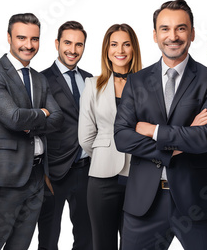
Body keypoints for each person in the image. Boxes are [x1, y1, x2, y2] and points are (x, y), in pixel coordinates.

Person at [114, 0, 207, 250]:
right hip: (144, 203)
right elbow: (122, 137)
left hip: (196, 203)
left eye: (181, 28)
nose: (172, 36)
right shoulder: (137, 81)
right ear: (155, 35)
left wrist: (153, 131)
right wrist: (177, 144)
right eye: (165, 29)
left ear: (192, 33)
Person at [0, 13, 64, 250]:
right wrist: (42, 112)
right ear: (9, 38)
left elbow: (58, 120)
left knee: (21, 244)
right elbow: (13, 118)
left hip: (36, 174)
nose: (28, 45)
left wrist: (34, 117)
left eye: (34, 39)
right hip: (7, 174)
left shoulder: (38, 78)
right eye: (21, 38)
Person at [78, 23, 142, 250]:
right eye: (114, 44)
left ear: (134, 49)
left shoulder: (147, 84)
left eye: (126, 44)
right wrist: (104, 152)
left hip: (139, 177)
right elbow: (85, 136)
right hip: (102, 178)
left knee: (134, 244)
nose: (120, 50)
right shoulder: (92, 85)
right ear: (106, 50)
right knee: (102, 245)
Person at [37, 21, 93, 250]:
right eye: (68, 43)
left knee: (87, 236)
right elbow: (35, 127)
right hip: (53, 173)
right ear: (57, 44)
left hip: (87, 169)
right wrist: (41, 171)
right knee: (49, 238)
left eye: (79, 44)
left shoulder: (91, 79)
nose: (73, 49)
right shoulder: (40, 80)